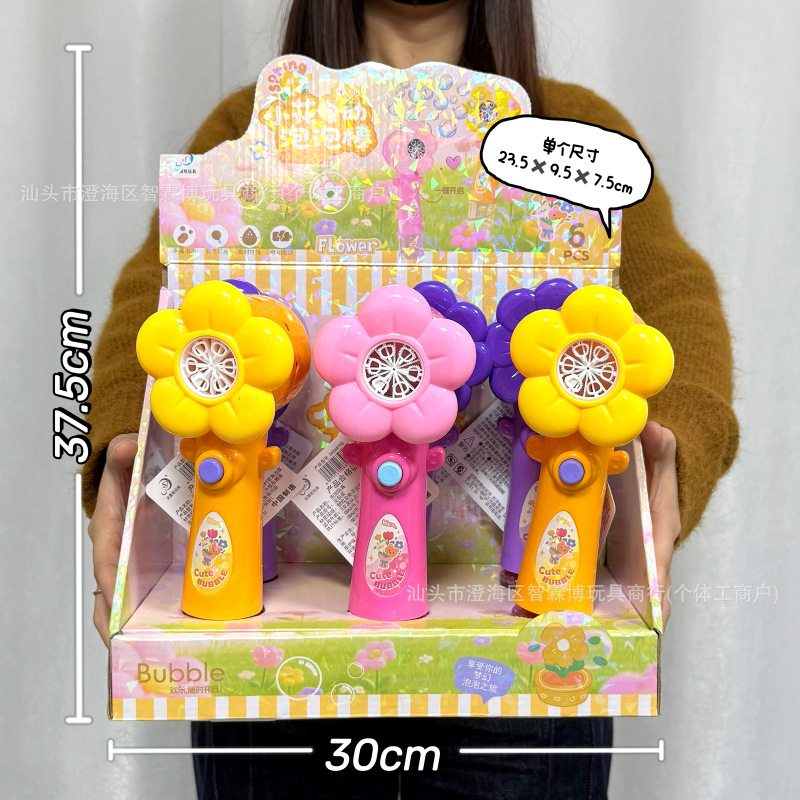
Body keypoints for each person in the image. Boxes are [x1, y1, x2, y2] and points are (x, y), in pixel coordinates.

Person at [84, 1, 739, 797]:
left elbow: (677, 305)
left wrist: (672, 454)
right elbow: (153, 300)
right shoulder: (253, 127)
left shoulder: (569, 132)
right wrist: (123, 445)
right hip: (278, 664)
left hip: (522, 672)